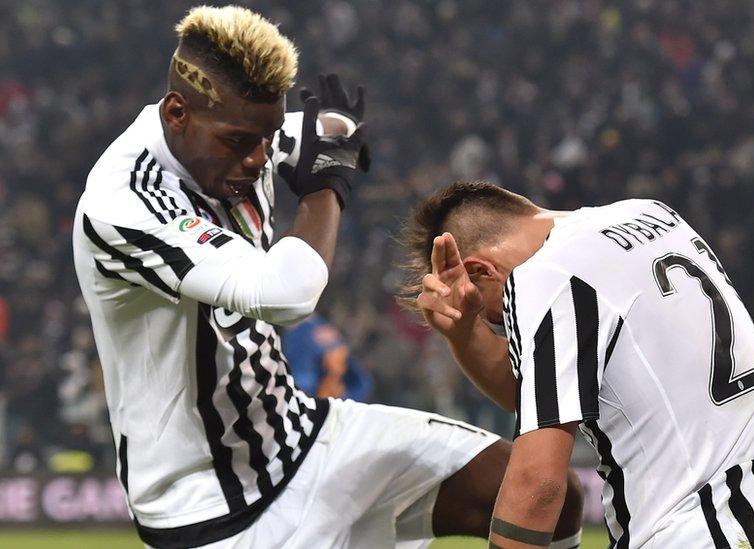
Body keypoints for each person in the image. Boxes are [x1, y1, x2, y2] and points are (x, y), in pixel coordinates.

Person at [72, 6, 582, 548]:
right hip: (208, 508)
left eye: (266, 137)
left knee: (549, 495)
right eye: (240, 142)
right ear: (177, 113)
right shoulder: (124, 202)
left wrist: (336, 136)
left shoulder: (233, 134)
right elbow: (288, 295)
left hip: (305, 438)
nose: (256, 159)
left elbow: (329, 133)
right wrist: (324, 188)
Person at [405, 182, 754, 548]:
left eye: (491, 317)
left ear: (480, 270)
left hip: (684, 533)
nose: (499, 326)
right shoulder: (653, 215)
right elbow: (537, 391)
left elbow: (538, 482)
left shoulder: (541, 277)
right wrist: (464, 336)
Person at [281, 313, 373, 401]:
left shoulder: (340, 356)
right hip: (309, 389)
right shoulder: (302, 338)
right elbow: (303, 381)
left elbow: (364, 384)